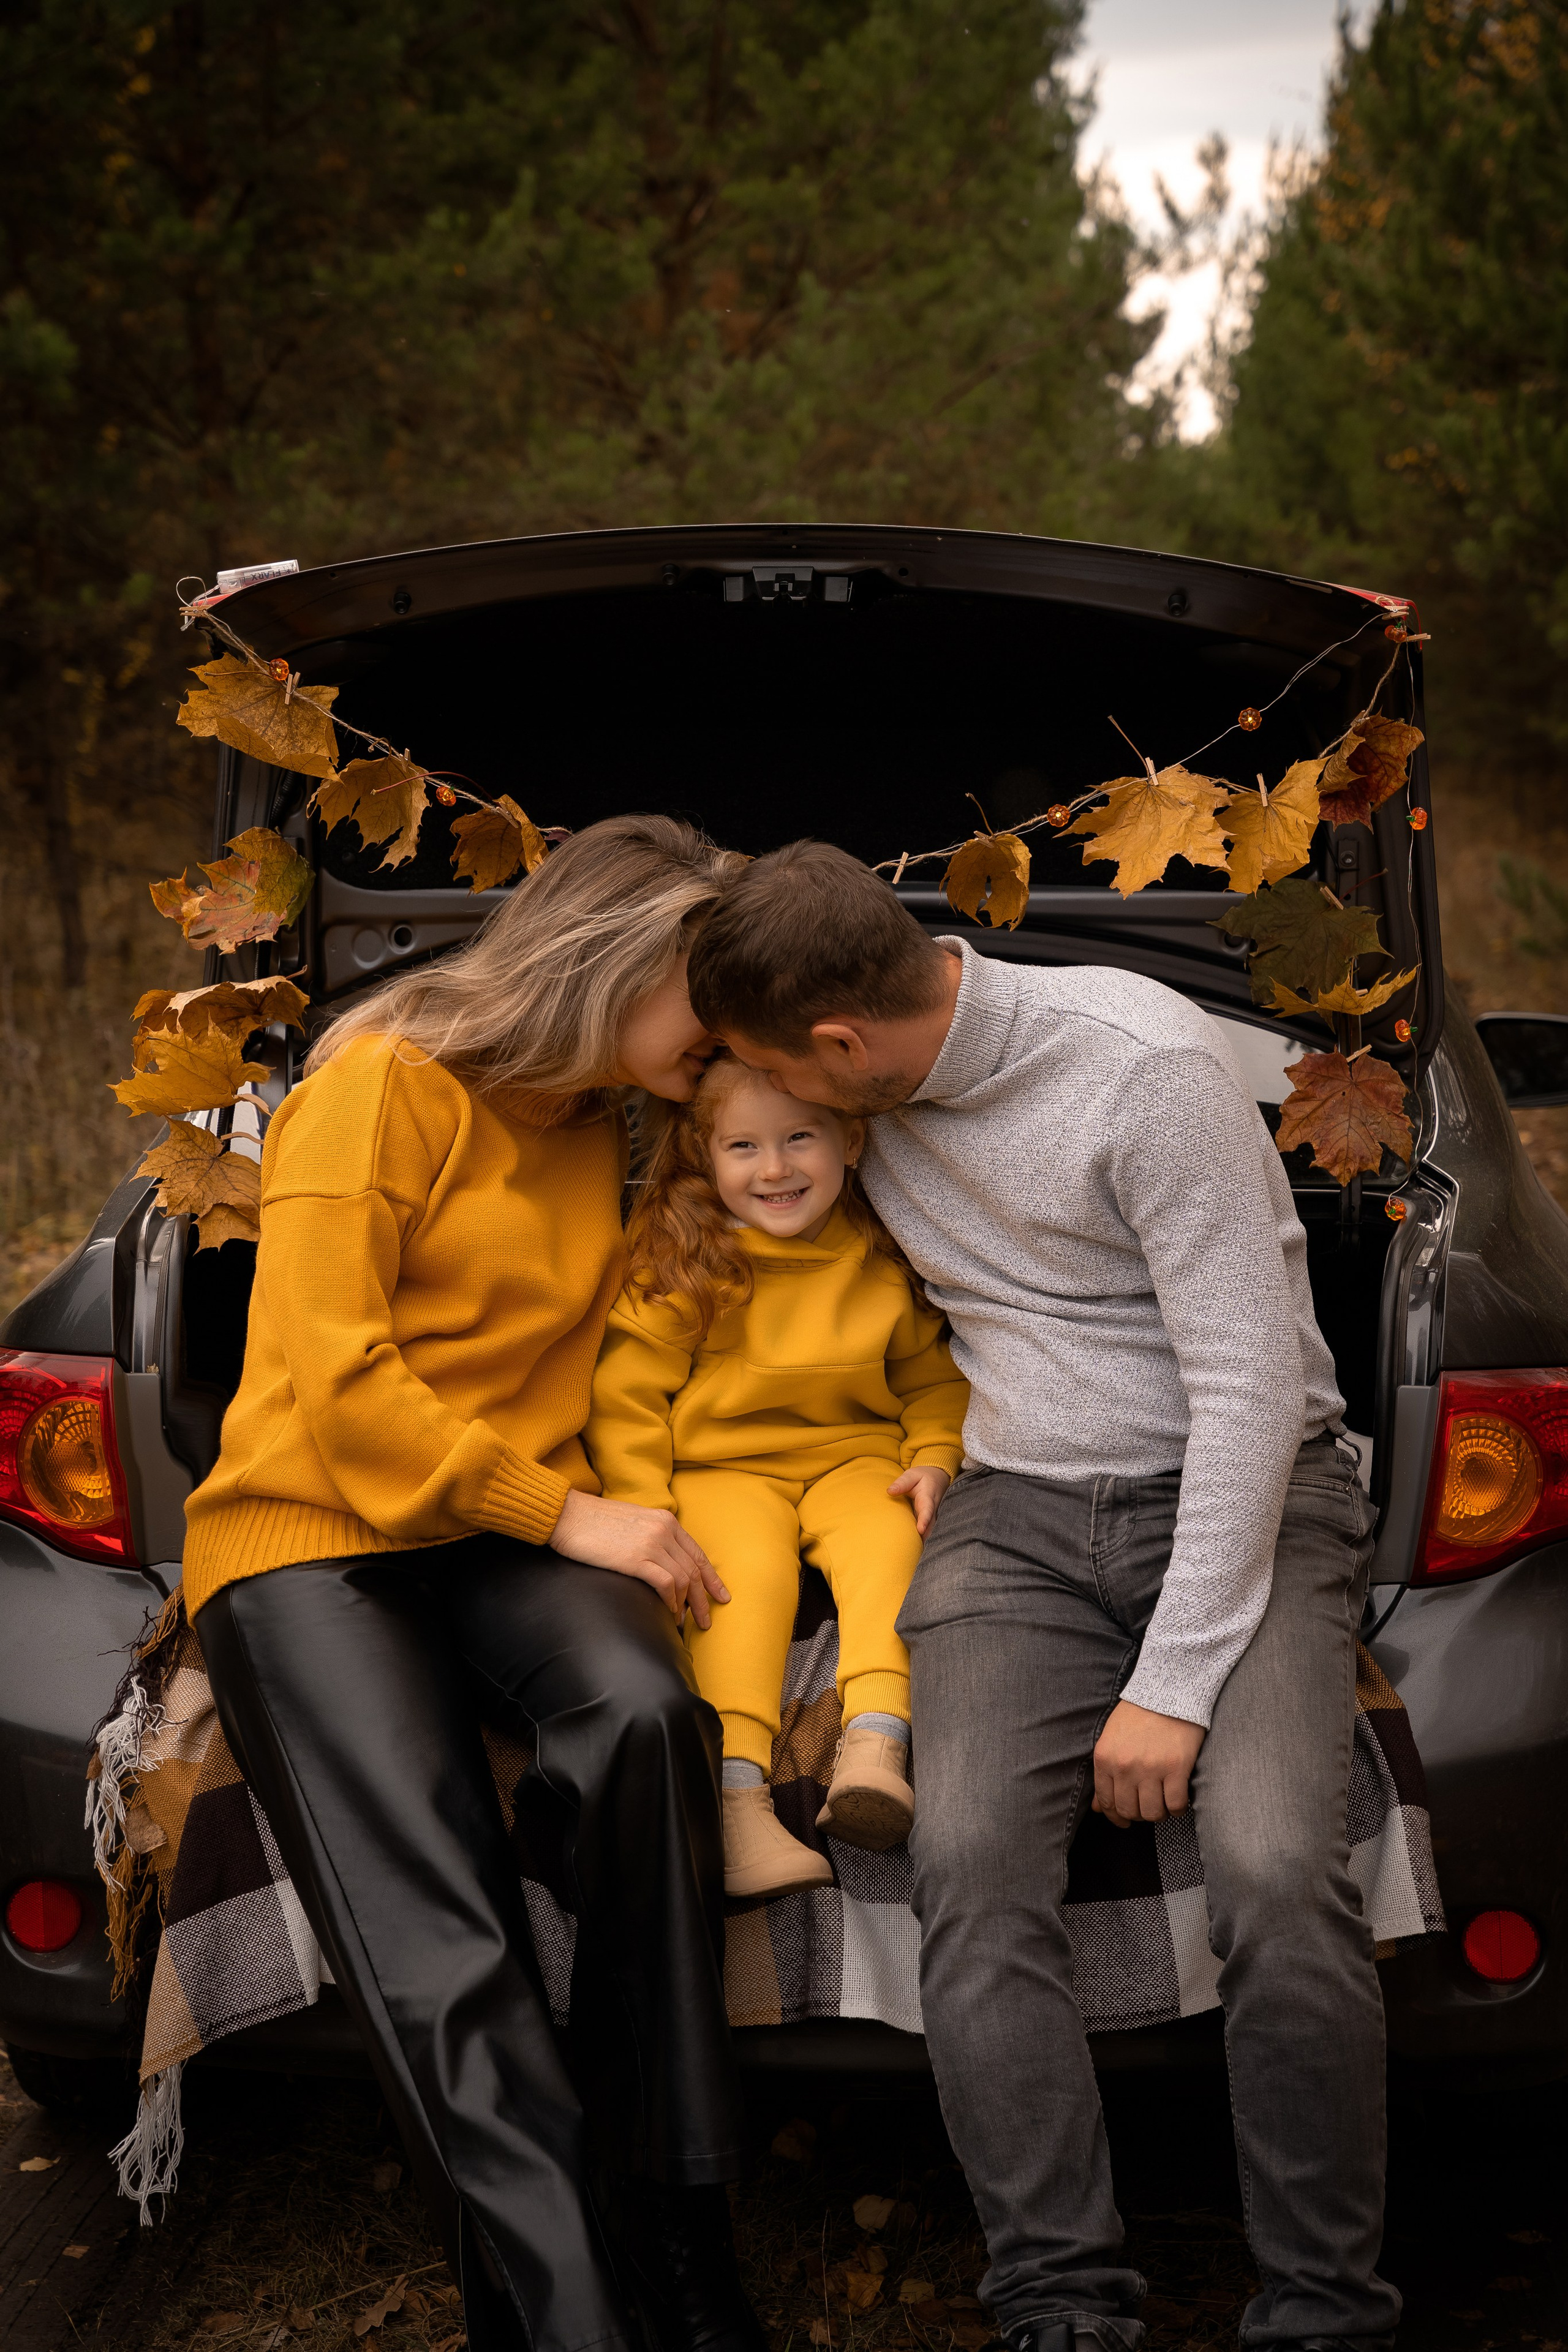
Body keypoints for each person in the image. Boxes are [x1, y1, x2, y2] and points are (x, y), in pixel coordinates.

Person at [687, 841, 1397, 2352]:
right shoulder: (861, 1097)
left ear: (842, 1046)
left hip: (1247, 1485)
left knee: (1276, 1869)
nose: (780, 1110)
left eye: (784, 1075)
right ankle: (1059, 2299)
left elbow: (1249, 1391)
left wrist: (1171, 1686)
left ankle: (1323, 2310)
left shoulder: (1142, 1072)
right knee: (963, 1861)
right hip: (1010, 1515)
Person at [183, 816, 766, 2352]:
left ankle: (677, 2234)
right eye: (705, 1000)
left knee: (646, 1720)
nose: (721, 1039)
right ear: (617, 963)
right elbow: (340, 1382)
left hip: (502, 1530)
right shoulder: (377, 1086)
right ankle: (574, 2319)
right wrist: (570, 1517)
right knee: (444, 1933)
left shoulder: (606, 1115)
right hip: (310, 1534)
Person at [584, 1055, 967, 1898]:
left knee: (892, 1545)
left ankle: (875, 1746)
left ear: (851, 1141)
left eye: (800, 1138)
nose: (775, 1168)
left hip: (854, 1456)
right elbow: (626, 1400)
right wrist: (642, 1511)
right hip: (722, 1468)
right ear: (704, 1154)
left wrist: (935, 1459)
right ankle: (736, 1802)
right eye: (744, 1146)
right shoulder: (686, 1257)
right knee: (737, 1584)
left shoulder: (880, 1252)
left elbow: (934, 1380)